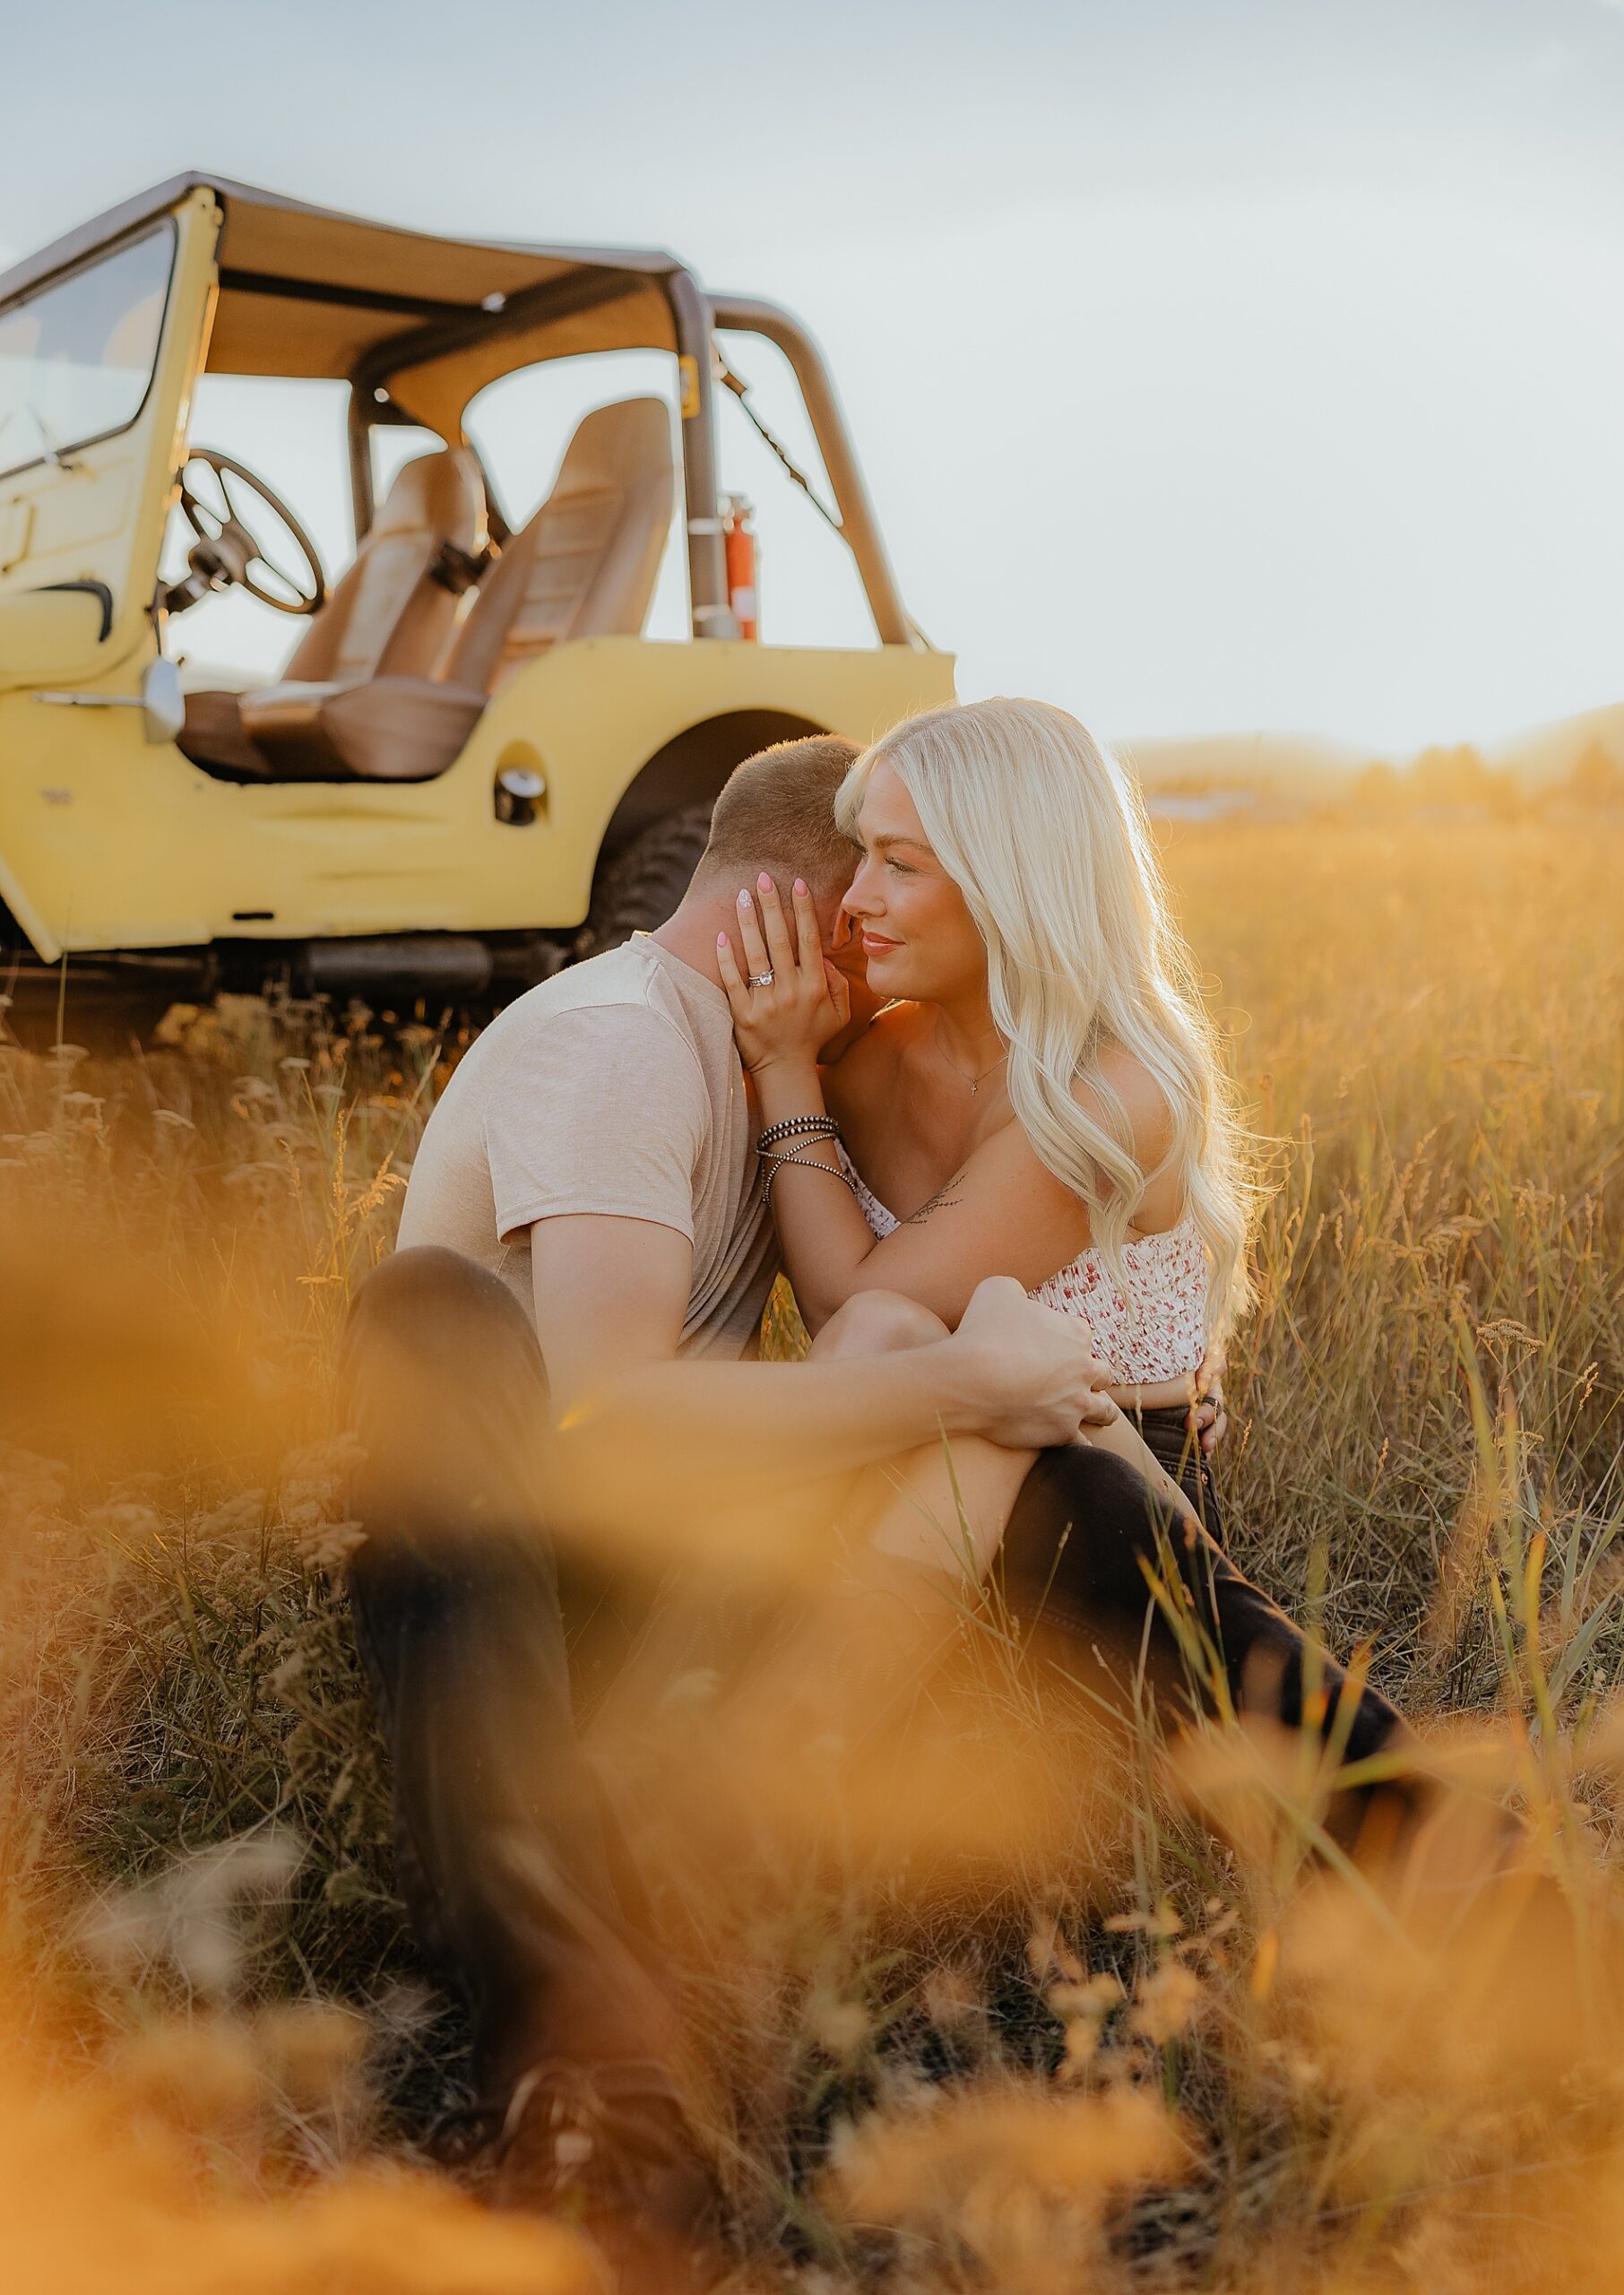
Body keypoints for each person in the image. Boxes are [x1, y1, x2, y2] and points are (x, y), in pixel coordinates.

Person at [340, 728, 1407, 2278]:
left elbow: (867, 1312)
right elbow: (826, 1339)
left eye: (906, 868)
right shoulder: (692, 1039)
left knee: (986, 1410)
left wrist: (797, 1100)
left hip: (1105, 1484)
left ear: (1008, 886)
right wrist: (798, 1081)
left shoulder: (1086, 1078)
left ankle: (1406, 1825)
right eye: (869, 871)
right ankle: (672, 1896)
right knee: (930, 1365)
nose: (874, 911)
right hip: (936, 1446)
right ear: (803, 914)